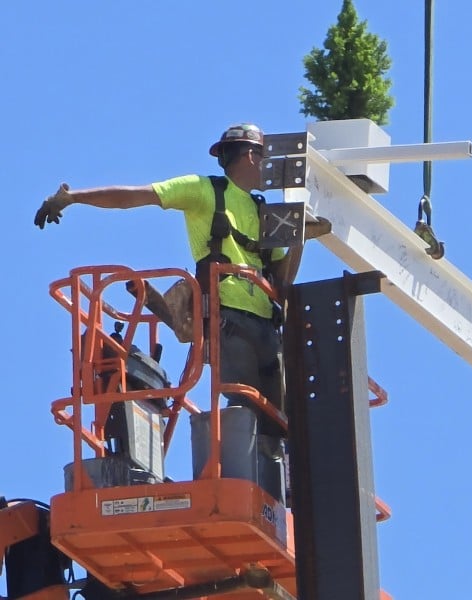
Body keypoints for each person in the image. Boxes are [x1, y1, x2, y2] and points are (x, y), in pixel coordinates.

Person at [34, 122, 318, 504]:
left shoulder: (264, 211)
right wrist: (74, 198)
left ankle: (282, 506)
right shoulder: (204, 191)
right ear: (250, 155)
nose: (268, 166)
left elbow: (281, 282)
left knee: (282, 424)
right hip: (228, 321)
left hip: (268, 327)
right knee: (243, 408)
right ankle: (249, 496)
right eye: (264, 157)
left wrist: (298, 237)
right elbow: (136, 197)